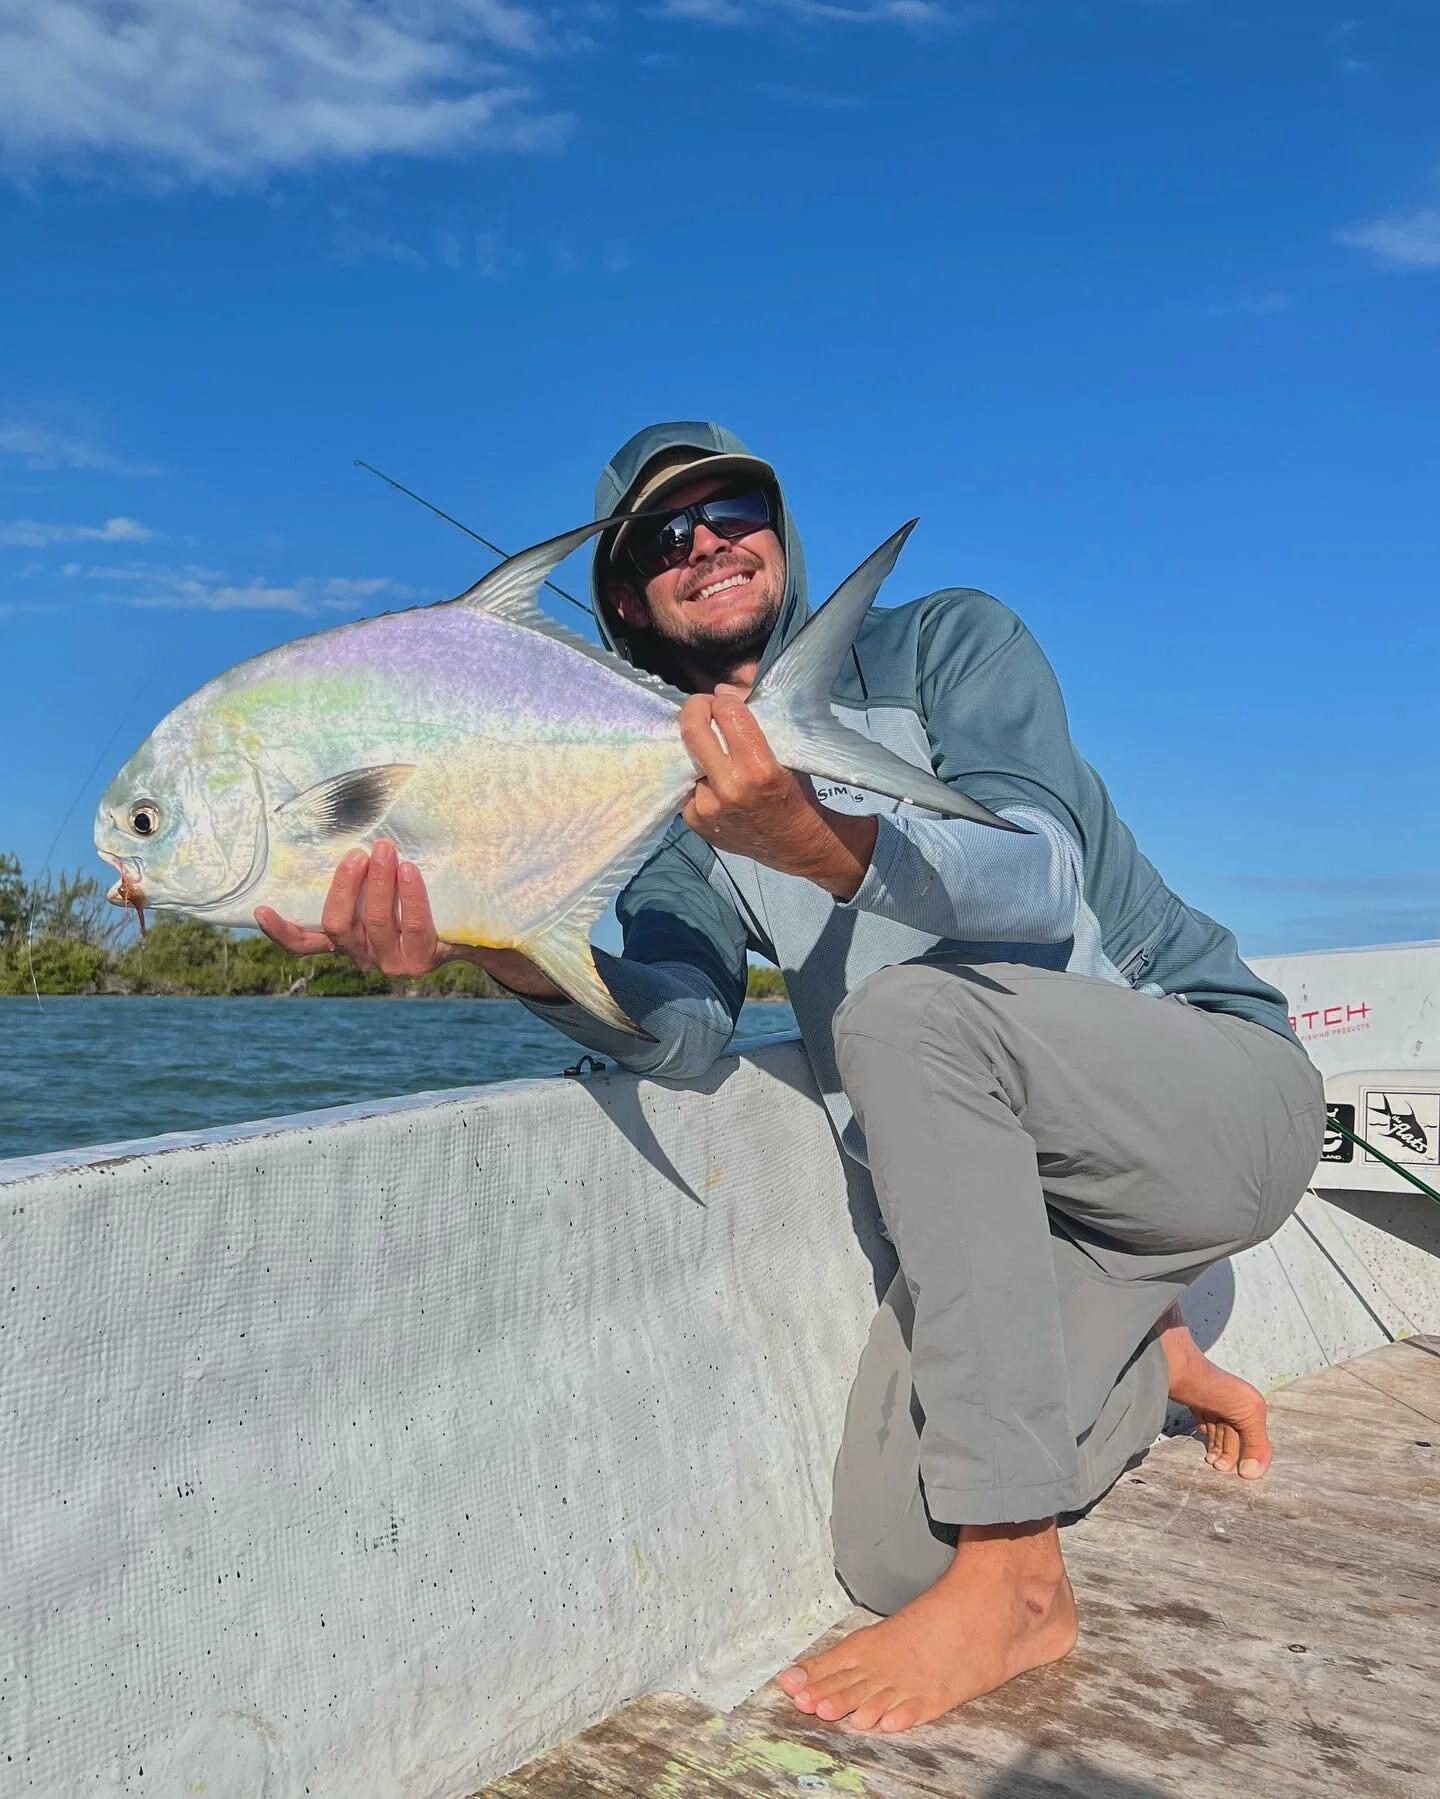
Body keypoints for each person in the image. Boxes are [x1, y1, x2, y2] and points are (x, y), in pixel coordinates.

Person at [258, 421, 1325, 1733]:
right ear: (620, 599)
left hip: (1223, 1096)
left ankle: (1018, 1574)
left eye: (734, 507)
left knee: (903, 1019)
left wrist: (816, 837)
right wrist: (502, 945)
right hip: (1062, 1205)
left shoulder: (947, 644)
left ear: (782, 527)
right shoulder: (663, 810)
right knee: (888, 1548)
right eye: (663, 534)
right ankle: (1155, 1360)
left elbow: (1036, 875)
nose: (707, 539)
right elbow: (685, 1030)